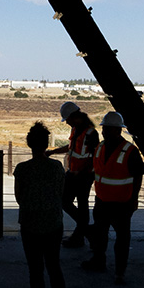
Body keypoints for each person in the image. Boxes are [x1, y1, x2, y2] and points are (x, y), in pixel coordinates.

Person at [13, 121, 68, 288]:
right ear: (47, 144)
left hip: (30, 224)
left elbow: (19, 198)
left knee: (35, 269)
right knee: (54, 266)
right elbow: (60, 193)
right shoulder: (56, 167)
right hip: (53, 223)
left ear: (29, 144)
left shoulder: (22, 169)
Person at [82, 111, 144, 285]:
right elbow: (98, 169)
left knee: (122, 239)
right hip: (102, 200)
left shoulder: (130, 151)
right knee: (100, 235)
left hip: (122, 203)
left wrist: (134, 199)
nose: (104, 132)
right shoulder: (100, 147)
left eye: (108, 129)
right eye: (104, 129)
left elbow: (138, 175)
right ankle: (98, 262)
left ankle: (120, 272)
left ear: (118, 130)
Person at [46, 101, 98, 248]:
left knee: (80, 204)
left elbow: (95, 157)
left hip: (84, 176)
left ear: (74, 117)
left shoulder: (91, 133)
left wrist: (80, 172)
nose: (67, 123)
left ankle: (80, 236)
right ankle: (84, 233)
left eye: (67, 119)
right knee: (67, 202)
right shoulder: (75, 130)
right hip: (74, 173)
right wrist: (52, 152)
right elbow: (70, 148)